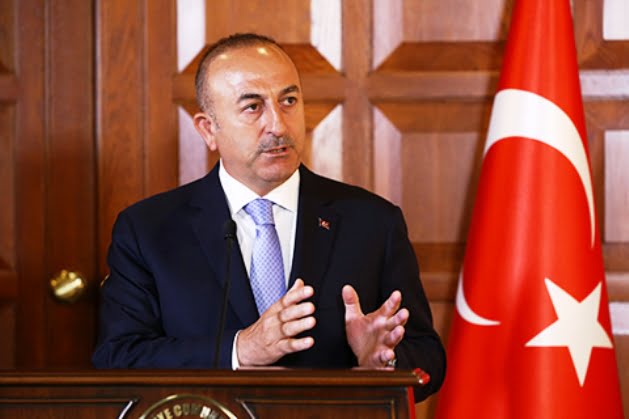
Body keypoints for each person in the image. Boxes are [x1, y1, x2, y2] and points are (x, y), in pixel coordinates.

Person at [92, 33, 445, 400]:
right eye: (252, 107)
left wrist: (382, 364)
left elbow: (428, 358)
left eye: (288, 101)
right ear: (208, 129)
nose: (278, 125)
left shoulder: (372, 222)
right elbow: (118, 358)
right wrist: (240, 350)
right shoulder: (148, 230)